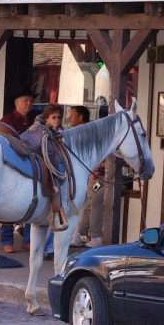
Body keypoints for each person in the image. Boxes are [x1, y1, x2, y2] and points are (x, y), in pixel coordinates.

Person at [0, 85, 35, 253]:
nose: (29, 104)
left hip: (29, 165)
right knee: (7, 203)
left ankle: (28, 239)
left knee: (32, 200)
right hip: (12, 165)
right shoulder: (6, 122)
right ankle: (7, 240)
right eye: (26, 101)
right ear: (17, 103)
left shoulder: (34, 121)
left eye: (31, 101)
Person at [66, 106, 106, 248]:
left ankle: (96, 236)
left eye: (72, 115)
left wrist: (100, 164)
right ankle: (78, 234)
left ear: (80, 117)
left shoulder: (92, 133)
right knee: (86, 202)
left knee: (94, 200)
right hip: (89, 174)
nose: (69, 118)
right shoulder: (73, 133)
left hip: (103, 175)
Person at [41, 103, 64, 260]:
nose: (57, 120)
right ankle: (45, 247)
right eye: (53, 117)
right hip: (47, 177)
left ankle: (48, 247)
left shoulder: (61, 134)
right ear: (47, 119)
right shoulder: (44, 134)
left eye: (58, 117)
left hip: (59, 178)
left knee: (55, 213)